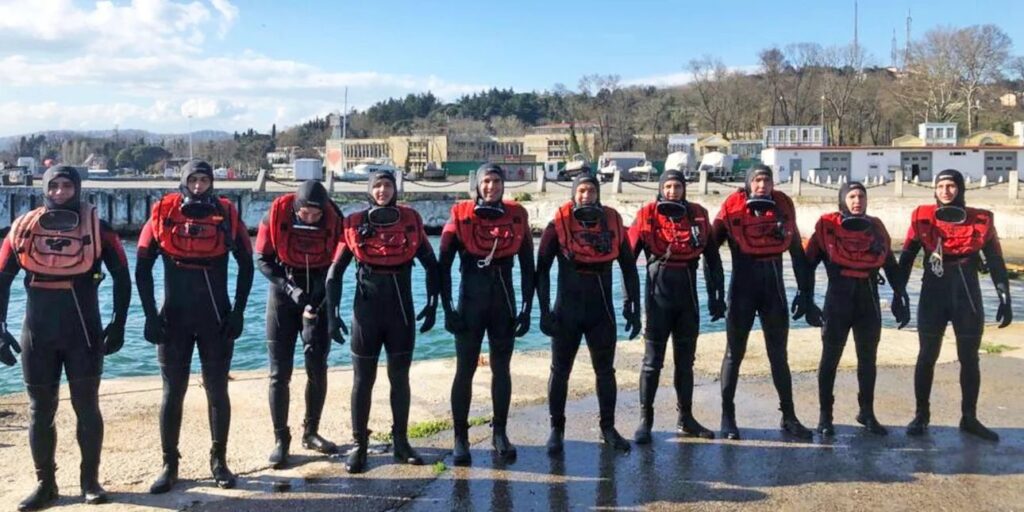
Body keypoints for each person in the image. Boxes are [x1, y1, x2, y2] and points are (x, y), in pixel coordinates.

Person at [0, 165, 130, 511]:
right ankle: (46, 484)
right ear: (44, 189)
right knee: (40, 410)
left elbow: (122, 276)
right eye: (54, 186)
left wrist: (119, 323)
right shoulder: (24, 229)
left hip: (83, 333)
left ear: (78, 188)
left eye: (67, 186)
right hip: (37, 335)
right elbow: (1, 279)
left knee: (86, 407)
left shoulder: (99, 229)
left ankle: (90, 481)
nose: (60, 192)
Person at [136, 159, 254, 493]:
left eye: (204, 180)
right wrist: (149, 315)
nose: (199, 186)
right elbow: (142, 268)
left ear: (212, 183)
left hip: (216, 319)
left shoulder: (227, 215)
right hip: (173, 319)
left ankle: (219, 461)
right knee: (173, 391)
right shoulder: (162, 213)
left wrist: (239, 312)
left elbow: (247, 265)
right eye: (193, 180)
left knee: (217, 390)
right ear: (184, 182)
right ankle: (169, 464)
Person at [326, 170, 439, 473]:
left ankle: (401, 442)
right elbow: (334, 273)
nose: (382, 190)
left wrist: (433, 304)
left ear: (395, 189)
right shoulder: (354, 224)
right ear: (369, 190)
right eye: (377, 185)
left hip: (401, 314)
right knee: (362, 381)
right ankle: (359, 445)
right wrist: (332, 315)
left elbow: (432, 265)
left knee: (399, 379)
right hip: (366, 315)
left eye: (387, 185)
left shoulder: (410, 221)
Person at [899, 169, 1012, 442]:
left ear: (960, 189)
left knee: (969, 358)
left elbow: (995, 259)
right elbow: (906, 257)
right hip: (933, 294)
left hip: (967, 296)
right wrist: (898, 293)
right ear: (934, 190)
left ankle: (969, 417)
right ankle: (921, 415)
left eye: (951, 186)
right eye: (940, 186)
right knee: (927, 355)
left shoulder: (982, 220)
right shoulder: (922, 217)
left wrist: (1004, 295)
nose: (946, 191)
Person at [537, 173, 641, 455]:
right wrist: (543, 311)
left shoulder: (613, 222)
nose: (586, 196)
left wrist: (633, 306)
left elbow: (629, 267)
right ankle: (556, 429)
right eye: (581, 191)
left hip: (601, 312)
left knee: (605, 372)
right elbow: (541, 270)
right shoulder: (557, 224)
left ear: (598, 194)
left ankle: (608, 428)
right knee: (560, 371)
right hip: (566, 312)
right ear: (574, 194)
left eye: (591, 191)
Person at [712, 164, 815, 440]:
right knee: (734, 354)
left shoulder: (782, 207)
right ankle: (727, 416)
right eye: (757, 180)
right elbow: (710, 251)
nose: (762, 186)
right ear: (748, 184)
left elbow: (797, 253)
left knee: (779, 355)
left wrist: (805, 293)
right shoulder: (731, 207)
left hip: (774, 293)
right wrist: (715, 294)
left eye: (766, 181)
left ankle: (789, 416)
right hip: (742, 291)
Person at [440, 163, 534, 466]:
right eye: (486, 181)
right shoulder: (460, 214)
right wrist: (447, 308)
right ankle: (460, 437)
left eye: (496, 181)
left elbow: (529, 267)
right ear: (477, 186)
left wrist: (527, 308)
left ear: (503, 185)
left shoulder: (517, 215)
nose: (491, 186)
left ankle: (500, 433)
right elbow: (443, 266)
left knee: (501, 369)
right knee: (464, 369)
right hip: (470, 304)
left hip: (503, 304)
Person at [804, 181, 911, 437]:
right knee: (830, 359)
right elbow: (807, 266)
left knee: (868, 359)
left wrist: (900, 296)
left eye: (861, 196)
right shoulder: (827, 226)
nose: (857, 201)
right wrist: (807, 300)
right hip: (837, 301)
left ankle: (867, 412)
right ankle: (825, 416)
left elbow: (890, 265)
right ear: (843, 200)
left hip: (868, 302)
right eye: (852, 196)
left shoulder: (876, 227)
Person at [627, 169, 724, 444]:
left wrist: (717, 296)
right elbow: (627, 262)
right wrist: (629, 302)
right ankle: (645, 421)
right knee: (651, 363)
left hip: (687, 301)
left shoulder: (697, 215)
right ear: (660, 189)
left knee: (685, 363)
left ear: (684, 189)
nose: (672, 191)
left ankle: (686, 419)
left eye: (677, 186)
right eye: (668, 186)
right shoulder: (646, 215)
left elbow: (713, 259)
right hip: (657, 301)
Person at [255, 180, 344, 468]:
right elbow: (262, 259)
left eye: (316, 214)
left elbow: (339, 263)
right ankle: (281, 439)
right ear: (296, 208)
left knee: (317, 367)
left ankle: (311, 431)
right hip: (283, 294)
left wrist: (320, 299)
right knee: (279, 373)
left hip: (318, 292)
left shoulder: (335, 219)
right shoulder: (275, 215)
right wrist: (289, 288)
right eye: (305, 213)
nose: (311, 218)